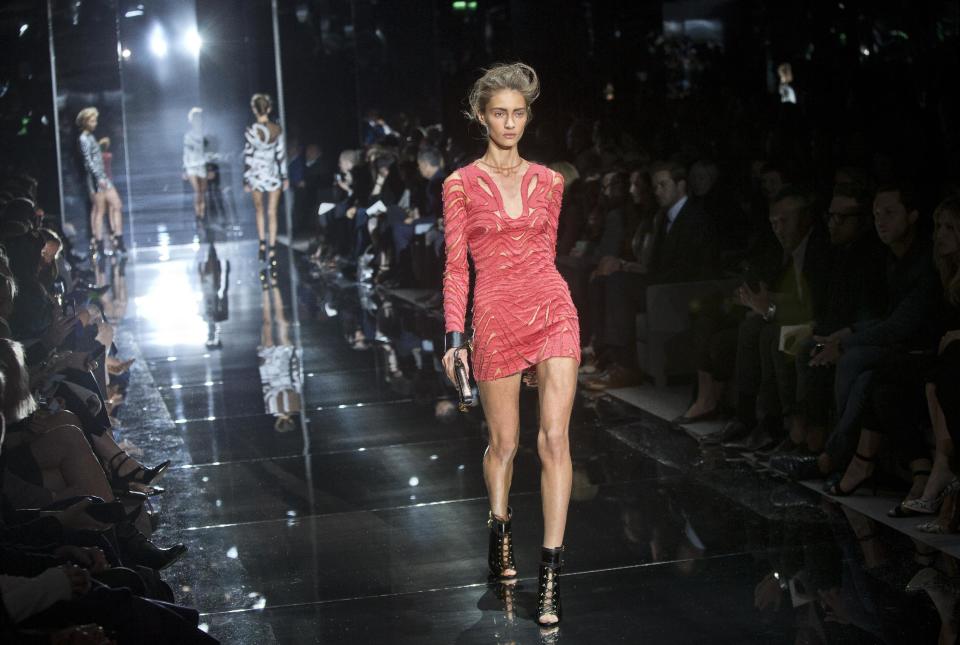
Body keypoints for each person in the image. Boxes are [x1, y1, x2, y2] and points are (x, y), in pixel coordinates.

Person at [441, 62, 578, 629]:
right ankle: (499, 530)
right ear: (481, 116)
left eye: (519, 113)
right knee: (505, 445)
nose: (510, 122)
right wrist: (455, 337)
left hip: (552, 309)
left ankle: (550, 578)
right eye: (500, 112)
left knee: (554, 441)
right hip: (494, 317)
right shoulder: (459, 184)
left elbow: (546, 253)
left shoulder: (550, 181)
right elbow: (455, 267)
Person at [242, 94, 288, 274]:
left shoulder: (251, 131)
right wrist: (284, 176)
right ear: (269, 108)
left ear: (254, 109)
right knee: (272, 211)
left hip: (256, 175)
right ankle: (273, 248)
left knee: (260, 210)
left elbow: (248, 156)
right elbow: (281, 155)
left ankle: (262, 245)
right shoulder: (277, 129)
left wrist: (246, 178)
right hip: (272, 173)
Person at [76, 108, 125, 257]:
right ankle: (99, 242)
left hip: (102, 177)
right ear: (85, 122)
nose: (95, 123)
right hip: (96, 179)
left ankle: (117, 238)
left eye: (95, 120)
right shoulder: (84, 138)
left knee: (116, 205)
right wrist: (98, 178)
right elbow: (88, 161)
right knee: (100, 209)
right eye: (92, 120)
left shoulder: (89, 137)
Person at [183, 107, 210, 227]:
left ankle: (202, 215)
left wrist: (210, 168)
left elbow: (209, 152)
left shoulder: (205, 135)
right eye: (195, 119)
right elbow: (186, 153)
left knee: (202, 192)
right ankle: (198, 215)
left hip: (202, 166)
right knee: (197, 191)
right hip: (191, 166)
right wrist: (184, 168)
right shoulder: (188, 136)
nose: (197, 121)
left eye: (199, 118)